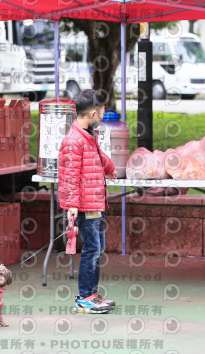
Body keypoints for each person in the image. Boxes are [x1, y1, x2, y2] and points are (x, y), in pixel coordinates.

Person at [58, 89, 118, 314]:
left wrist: (110, 168)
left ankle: (91, 294)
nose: (103, 113)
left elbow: (98, 157)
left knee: (97, 249)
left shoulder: (87, 135)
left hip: (94, 202)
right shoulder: (74, 140)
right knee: (92, 249)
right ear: (93, 113)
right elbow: (70, 176)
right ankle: (84, 297)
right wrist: (72, 205)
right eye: (102, 110)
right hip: (85, 205)